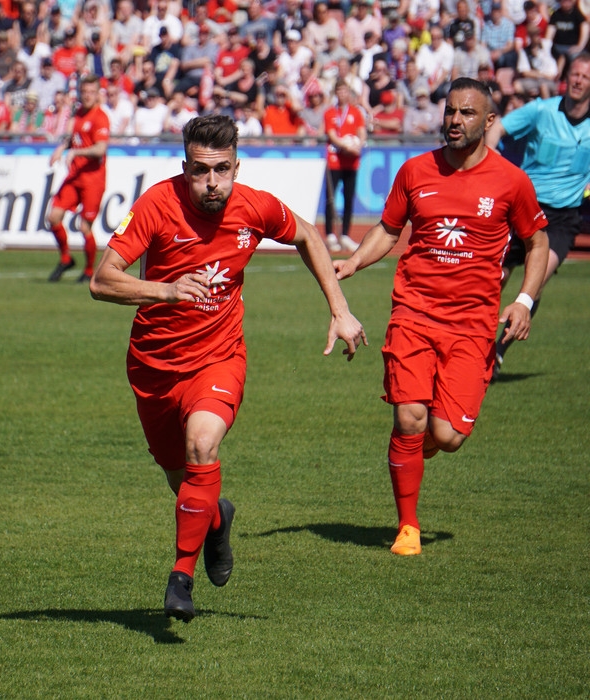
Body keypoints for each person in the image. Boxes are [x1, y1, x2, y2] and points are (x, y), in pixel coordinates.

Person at [89, 114, 366, 622]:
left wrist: (339, 308)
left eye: (221, 170)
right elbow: (102, 280)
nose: (211, 182)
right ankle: (217, 519)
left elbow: (306, 235)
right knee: (185, 480)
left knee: (203, 444)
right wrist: (164, 290)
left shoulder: (254, 206)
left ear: (236, 166)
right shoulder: (157, 204)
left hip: (219, 356)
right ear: (185, 167)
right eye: (200, 170)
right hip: (154, 367)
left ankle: (180, 577)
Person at [334, 78, 549, 557]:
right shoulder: (415, 171)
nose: (454, 120)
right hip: (413, 313)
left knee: (446, 436)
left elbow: (537, 242)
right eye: (450, 111)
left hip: (474, 325)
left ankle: (421, 445)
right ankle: (407, 527)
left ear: (489, 121)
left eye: (467, 113)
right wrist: (353, 262)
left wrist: (525, 300)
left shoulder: (511, 181)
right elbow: (388, 230)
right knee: (409, 417)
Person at [485, 53, 590, 377]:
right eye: (575, 74)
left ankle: (498, 351)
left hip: (562, 219)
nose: (578, 80)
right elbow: (498, 126)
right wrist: (489, 165)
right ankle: (475, 341)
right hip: (523, 208)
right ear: (566, 77)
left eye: (585, 77)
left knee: (537, 280)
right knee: (493, 280)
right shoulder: (542, 110)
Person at [46, 73, 109, 282]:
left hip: (93, 180)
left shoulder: (101, 117)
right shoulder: (78, 114)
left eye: (92, 92)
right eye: (85, 92)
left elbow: (100, 149)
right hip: (75, 177)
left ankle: (90, 270)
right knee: (53, 217)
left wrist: (76, 153)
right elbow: (71, 139)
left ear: (98, 94)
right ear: (81, 93)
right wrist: (61, 148)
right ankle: (65, 258)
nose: (88, 95)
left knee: (84, 227)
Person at [323, 81, 367, 253]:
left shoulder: (356, 113)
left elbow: (361, 131)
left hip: (351, 161)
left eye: (345, 90)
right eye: (339, 90)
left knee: (349, 198)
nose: (342, 93)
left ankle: (346, 235)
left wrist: (359, 144)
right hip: (335, 160)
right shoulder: (330, 113)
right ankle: (330, 234)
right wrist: (345, 145)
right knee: (331, 198)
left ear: (349, 93)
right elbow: (332, 135)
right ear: (336, 93)